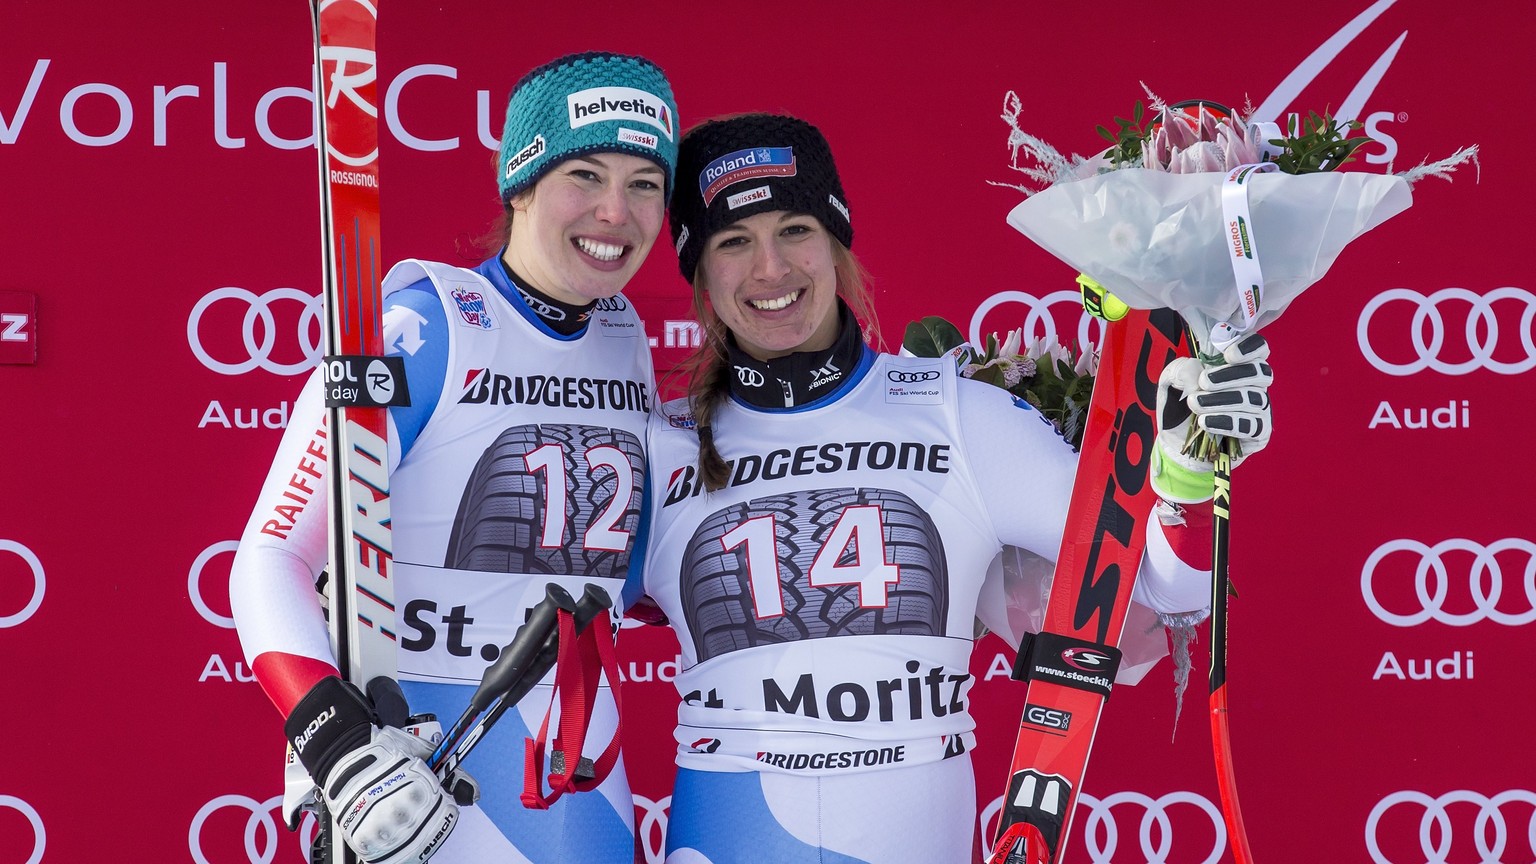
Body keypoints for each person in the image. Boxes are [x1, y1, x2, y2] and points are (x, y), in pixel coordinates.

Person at [628, 113, 1274, 863]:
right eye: (734, 241)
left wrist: (1187, 472)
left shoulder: (959, 413)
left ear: (837, 243)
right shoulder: (657, 451)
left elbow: (1164, 590)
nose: (771, 269)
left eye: (796, 229)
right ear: (699, 272)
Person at [230, 51, 680, 864]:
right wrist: (336, 748)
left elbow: (628, 571)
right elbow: (269, 558)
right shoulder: (425, 326)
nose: (617, 211)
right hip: (418, 764)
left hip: (575, 761)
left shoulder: (622, 340)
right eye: (586, 173)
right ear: (521, 180)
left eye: (645, 182)